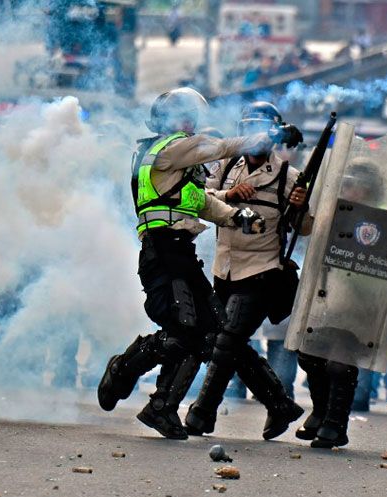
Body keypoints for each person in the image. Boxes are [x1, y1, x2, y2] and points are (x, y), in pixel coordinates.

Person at [97, 88, 299, 440]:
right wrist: (272, 134)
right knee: (185, 332)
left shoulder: (178, 164)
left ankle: (164, 406)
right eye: (187, 116)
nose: (193, 124)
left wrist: (237, 217)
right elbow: (221, 148)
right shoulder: (168, 148)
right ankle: (126, 370)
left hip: (181, 254)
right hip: (163, 255)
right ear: (173, 120)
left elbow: (200, 202)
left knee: (210, 334)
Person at [184, 101, 308, 440]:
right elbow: (199, 199)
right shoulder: (225, 167)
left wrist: (300, 205)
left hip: (261, 270)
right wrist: (230, 193)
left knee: (227, 341)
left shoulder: (288, 176)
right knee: (225, 342)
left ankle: (201, 414)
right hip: (224, 268)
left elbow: (304, 227)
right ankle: (280, 404)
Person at [295, 157, 383, 448]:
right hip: (325, 298)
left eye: (357, 186)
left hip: (360, 305)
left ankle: (335, 424)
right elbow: (306, 229)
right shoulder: (333, 211)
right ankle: (321, 412)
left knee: (339, 364)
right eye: (347, 184)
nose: (350, 190)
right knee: (309, 355)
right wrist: (300, 205)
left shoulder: (380, 221)